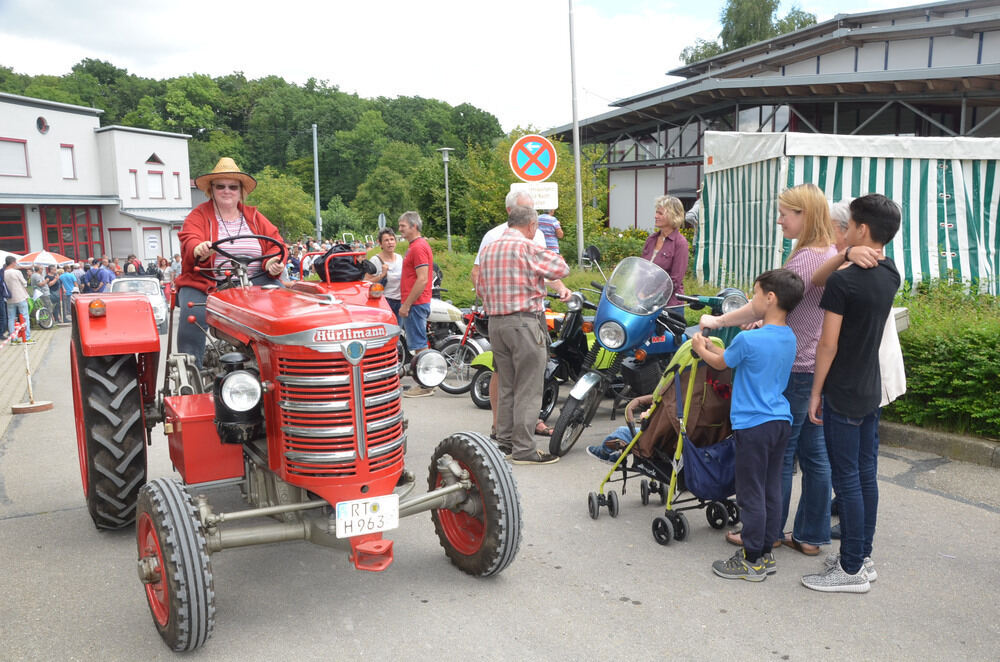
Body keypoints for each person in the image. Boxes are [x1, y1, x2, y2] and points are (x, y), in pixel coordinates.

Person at [702, 183, 838, 555]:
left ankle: (766, 533)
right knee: (815, 455)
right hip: (816, 364)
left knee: (776, 462)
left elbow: (758, 308)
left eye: (785, 214)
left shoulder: (805, 259)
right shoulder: (830, 252)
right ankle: (811, 536)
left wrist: (718, 322)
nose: (779, 220)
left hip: (792, 369)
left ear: (805, 215)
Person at [800, 193, 901, 594]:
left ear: (860, 229)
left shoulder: (844, 281)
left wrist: (815, 393)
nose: (841, 232)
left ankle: (851, 568)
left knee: (849, 481)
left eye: (848, 225)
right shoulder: (891, 272)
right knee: (864, 475)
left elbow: (828, 345)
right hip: (869, 388)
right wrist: (849, 254)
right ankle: (863, 557)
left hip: (841, 389)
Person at [692, 268, 804, 581]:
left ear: (770, 298)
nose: (752, 299)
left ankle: (751, 557)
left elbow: (720, 363)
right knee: (770, 488)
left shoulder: (749, 338)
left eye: (755, 293)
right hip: (779, 421)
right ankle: (765, 549)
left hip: (752, 425)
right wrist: (717, 350)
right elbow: (734, 357)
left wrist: (701, 347)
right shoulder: (788, 336)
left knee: (750, 492)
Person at [477, 205, 570, 464]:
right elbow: (561, 269)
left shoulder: (488, 250)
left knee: (507, 384)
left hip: (496, 324)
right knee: (529, 388)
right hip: (523, 323)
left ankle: (505, 443)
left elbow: (480, 287)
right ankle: (525, 450)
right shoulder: (526, 247)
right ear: (531, 226)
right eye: (536, 228)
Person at [175, 157, 287, 367]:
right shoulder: (199, 215)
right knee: (193, 317)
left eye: (233, 187)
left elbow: (276, 244)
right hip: (207, 282)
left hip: (256, 280)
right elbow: (190, 238)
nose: (227, 191)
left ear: (241, 190)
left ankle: (280, 367)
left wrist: (273, 261)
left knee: (285, 308)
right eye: (221, 186)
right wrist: (198, 248)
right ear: (212, 189)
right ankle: (192, 373)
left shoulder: (254, 217)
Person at [398, 211, 435, 397]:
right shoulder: (415, 246)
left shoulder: (418, 247)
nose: (400, 229)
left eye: (403, 226)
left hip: (416, 303)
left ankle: (426, 384)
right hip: (416, 302)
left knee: (419, 345)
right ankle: (425, 382)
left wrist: (407, 304)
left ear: (414, 226)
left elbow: (422, 280)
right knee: (419, 343)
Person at [641, 195, 689, 307]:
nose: (655, 216)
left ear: (673, 216)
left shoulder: (680, 243)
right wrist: (638, 292)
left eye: (660, 213)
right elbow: (642, 270)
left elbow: (675, 280)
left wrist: (652, 296)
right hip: (645, 303)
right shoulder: (651, 239)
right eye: (656, 212)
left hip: (669, 306)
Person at [364, 228, 403, 322]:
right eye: (386, 240)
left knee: (398, 332)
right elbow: (365, 282)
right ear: (380, 244)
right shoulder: (375, 260)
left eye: (392, 239)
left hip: (401, 301)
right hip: (385, 302)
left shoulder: (399, 258)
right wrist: (382, 275)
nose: (390, 243)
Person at [4, 256, 31, 342]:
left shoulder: (3, 273)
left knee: (11, 318)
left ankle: (14, 339)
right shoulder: (17, 272)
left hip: (9, 299)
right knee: (25, 317)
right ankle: (26, 337)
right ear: (12, 262)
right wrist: (27, 296)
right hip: (20, 297)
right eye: (15, 262)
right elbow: (24, 283)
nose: (16, 264)